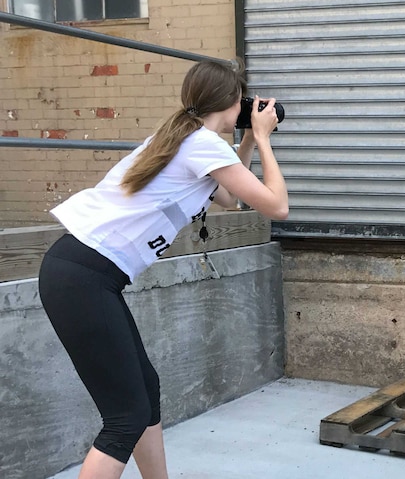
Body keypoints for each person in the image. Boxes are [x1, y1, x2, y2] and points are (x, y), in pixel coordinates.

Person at [38, 60, 289, 479]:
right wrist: (263, 138)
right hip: (84, 276)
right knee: (125, 417)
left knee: (144, 395)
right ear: (231, 101)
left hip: (78, 272)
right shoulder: (202, 144)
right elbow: (277, 206)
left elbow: (229, 196)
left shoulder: (188, 139)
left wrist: (244, 139)